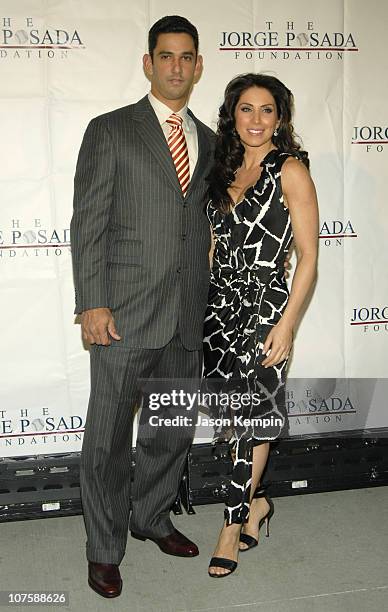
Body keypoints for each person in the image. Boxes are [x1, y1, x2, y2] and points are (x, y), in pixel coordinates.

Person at [70, 15, 215, 598]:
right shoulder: (110, 130)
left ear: (198, 65)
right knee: (107, 438)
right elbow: (89, 224)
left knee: (170, 428)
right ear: (148, 63)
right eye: (166, 56)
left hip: (186, 311)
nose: (176, 66)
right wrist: (93, 303)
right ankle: (104, 550)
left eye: (187, 57)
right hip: (123, 314)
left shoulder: (211, 139)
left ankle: (151, 517)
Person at [203, 73, 319, 577]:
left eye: (266, 110)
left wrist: (289, 323)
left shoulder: (289, 170)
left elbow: (309, 258)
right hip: (217, 309)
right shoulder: (222, 168)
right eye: (245, 109)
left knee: (255, 418)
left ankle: (230, 526)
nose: (255, 120)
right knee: (231, 418)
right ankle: (257, 505)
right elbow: (212, 248)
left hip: (267, 307)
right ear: (232, 116)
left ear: (280, 117)